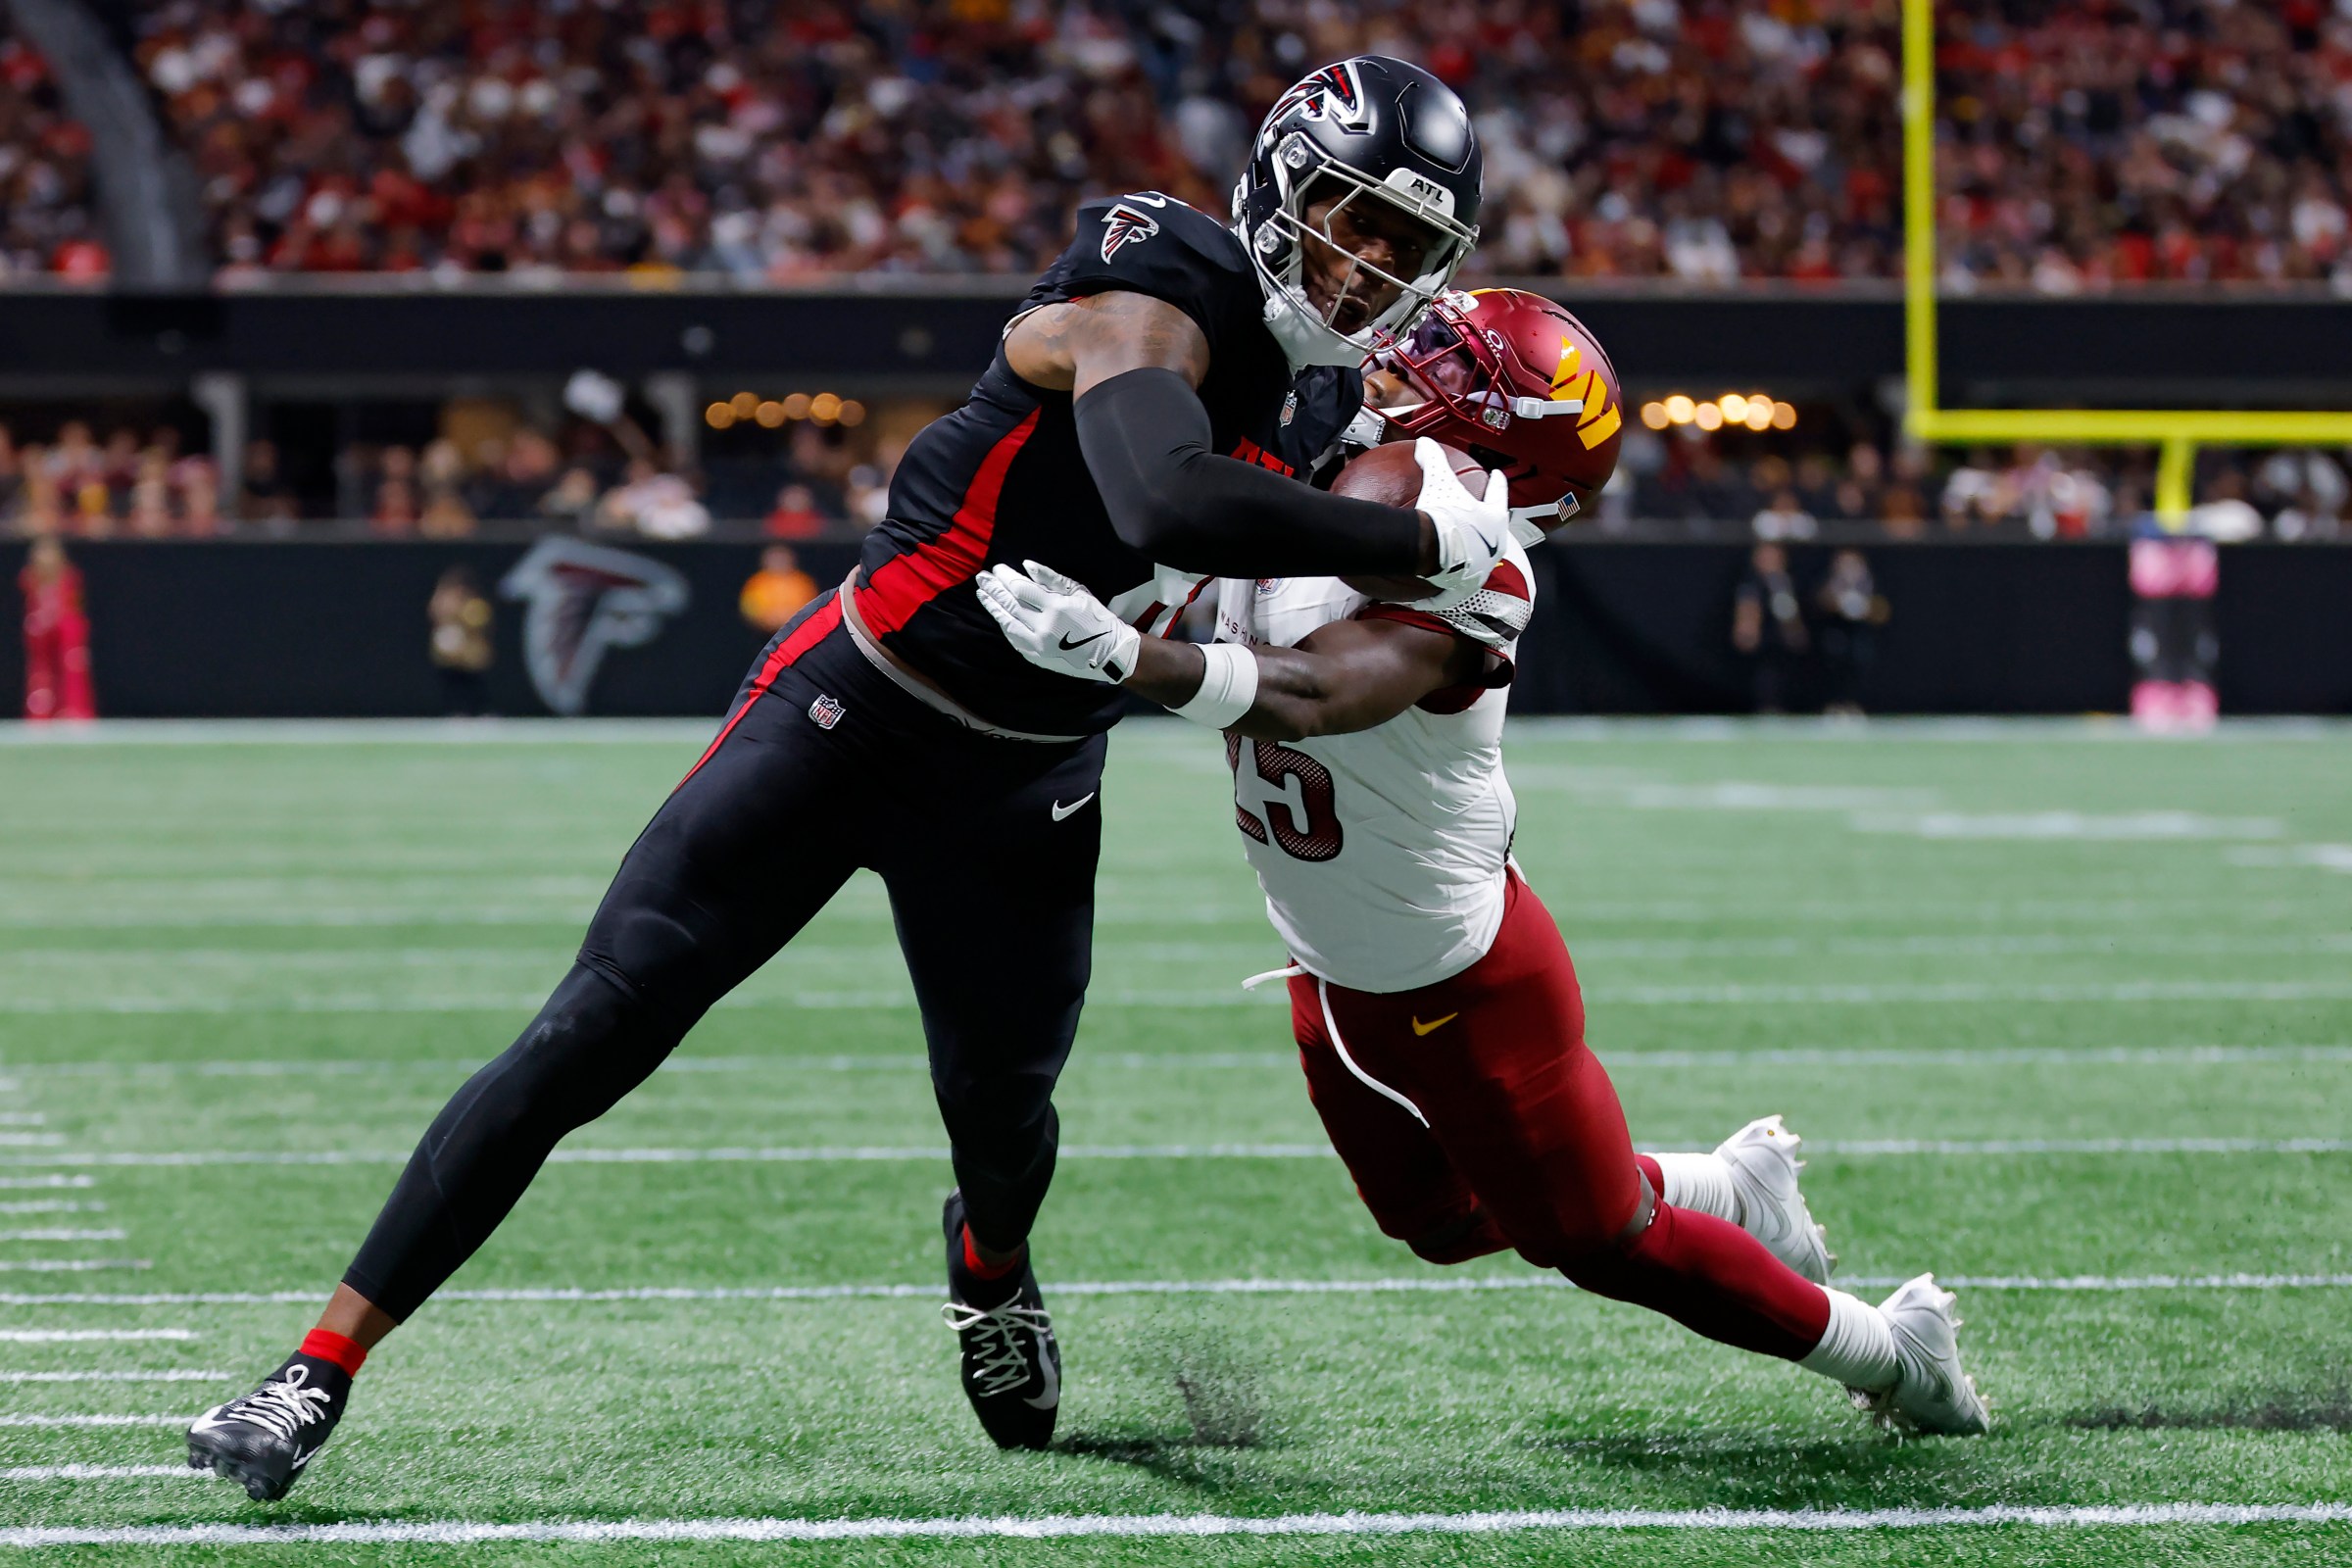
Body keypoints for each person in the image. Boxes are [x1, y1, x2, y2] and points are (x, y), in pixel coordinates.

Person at [189, 55, 1511, 1500]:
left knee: (1003, 1118)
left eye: (1402, 243)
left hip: (1025, 776)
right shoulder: (1159, 284)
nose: (1365, 258)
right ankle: (315, 1367)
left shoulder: (1336, 406)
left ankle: (989, 1266)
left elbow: (1468, 492)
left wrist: (1477, 525)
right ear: (1277, 185)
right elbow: (1161, 495)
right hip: (852, 709)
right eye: (1349, 214)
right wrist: (1413, 549)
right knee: (592, 1031)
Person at [977, 291, 1987, 1440]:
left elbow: (1316, 692)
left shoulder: (1470, 557)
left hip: (1461, 984)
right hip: (1333, 966)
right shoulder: (1345, 486)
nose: (1401, 362)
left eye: (1447, 362)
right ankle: (1735, 1185)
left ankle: (1894, 1349)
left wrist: (1128, 656)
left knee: (1603, 1241)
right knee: (1441, 1221)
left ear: (1497, 429)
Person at [20, 535, 95, 721]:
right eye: (41, 553)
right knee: (40, 668)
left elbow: (73, 608)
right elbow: (32, 606)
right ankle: (40, 712)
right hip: (41, 629)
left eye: (50, 553)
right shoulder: (30, 577)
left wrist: (55, 618)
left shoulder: (70, 577)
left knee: (72, 663)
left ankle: (75, 710)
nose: (46, 558)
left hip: (66, 627)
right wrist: (41, 620)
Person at [1731, 541, 1808, 712]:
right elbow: (1747, 611)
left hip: (1783, 645)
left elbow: (1791, 615)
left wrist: (1795, 631)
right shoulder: (1751, 582)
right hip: (1762, 645)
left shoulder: (1786, 581)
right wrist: (1746, 630)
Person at [1814, 549, 1888, 716]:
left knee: (1858, 667)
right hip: (1836, 631)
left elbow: (1882, 610)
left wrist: (1864, 607)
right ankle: (1835, 705)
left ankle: (1855, 705)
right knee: (1834, 668)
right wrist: (1838, 603)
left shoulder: (1869, 583)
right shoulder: (1831, 581)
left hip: (1860, 633)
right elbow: (1819, 601)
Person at [426, 566, 494, 716]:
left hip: (471, 656)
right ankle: (455, 712)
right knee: (453, 686)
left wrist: (458, 613)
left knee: (475, 687)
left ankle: (482, 712)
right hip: (450, 657)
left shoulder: (474, 604)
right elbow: (435, 615)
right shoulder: (442, 602)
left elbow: (479, 621)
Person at [739, 545, 819, 635]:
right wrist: (766, 619)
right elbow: (749, 608)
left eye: (782, 559)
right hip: (763, 633)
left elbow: (811, 607)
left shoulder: (802, 582)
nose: (779, 563)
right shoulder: (756, 583)